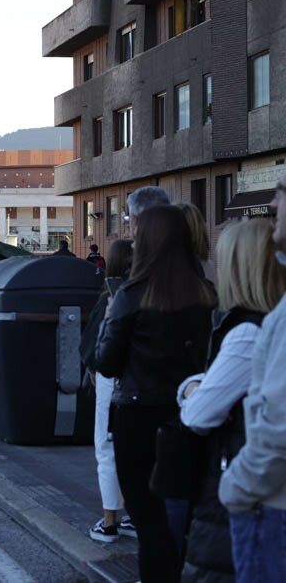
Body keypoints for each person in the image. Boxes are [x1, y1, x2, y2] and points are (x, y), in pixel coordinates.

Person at [96, 204, 217, 582]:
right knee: (183, 513)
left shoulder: (132, 296)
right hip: (188, 415)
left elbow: (107, 362)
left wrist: (109, 318)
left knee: (149, 521)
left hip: (137, 417)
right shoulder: (206, 293)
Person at [176, 218, 286, 582]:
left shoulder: (245, 333)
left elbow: (198, 414)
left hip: (243, 499)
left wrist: (192, 390)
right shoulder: (269, 322)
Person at [219, 169, 286, 582]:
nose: (274, 204)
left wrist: (237, 488)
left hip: (271, 509)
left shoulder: (250, 329)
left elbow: (278, 429)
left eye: (283, 193)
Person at [81, 239, 136, 543]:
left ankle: (109, 520)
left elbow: (94, 343)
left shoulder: (112, 297)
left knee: (106, 446)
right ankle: (136, 515)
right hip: (142, 382)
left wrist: (92, 366)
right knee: (135, 450)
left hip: (111, 378)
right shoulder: (149, 292)